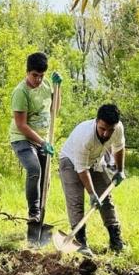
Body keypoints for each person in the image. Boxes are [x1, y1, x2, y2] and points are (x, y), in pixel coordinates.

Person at [57, 104, 127, 256]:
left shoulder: (118, 128)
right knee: (76, 200)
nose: (105, 134)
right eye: (102, 129)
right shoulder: (85, 136)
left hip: (95, 160)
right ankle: (80, 242)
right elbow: (81, 169)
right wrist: (92, 193)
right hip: (70, 161)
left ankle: (116, 240)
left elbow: (119, 147)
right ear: (97, 121)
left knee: (106, 198)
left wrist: (120, 170)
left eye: (110, 130)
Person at [9, 51, 61, 245]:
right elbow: (21, 125)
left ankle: (38, 229)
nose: (38, 79)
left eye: (41, 75)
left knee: (45, 181)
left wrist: (58, 88)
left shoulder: (47, 85)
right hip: (23, 139)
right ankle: (33, 213)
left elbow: (54, 109)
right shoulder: (20, 92)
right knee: (34, 169)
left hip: (42, 140)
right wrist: (42, 142)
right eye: (34, 75)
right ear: (27, 72)